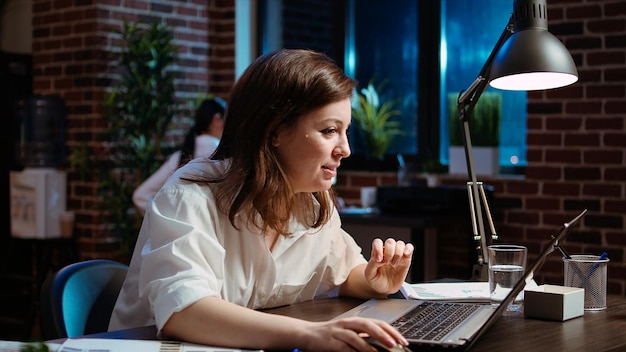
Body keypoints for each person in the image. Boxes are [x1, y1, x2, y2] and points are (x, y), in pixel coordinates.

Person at [109, 48, 414, 352]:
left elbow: (345, 273)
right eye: (329, 131)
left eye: (345, 132)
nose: (344, 149)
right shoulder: (190, 194)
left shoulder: (313, 205)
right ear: (275, 131)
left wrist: (376, 281)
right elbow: (183, 311)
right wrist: (310, 334)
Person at [132, 98, 225, 215]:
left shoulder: (181, 155)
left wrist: (168, 220)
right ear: (217, 119)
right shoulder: (222, 156)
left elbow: (141, 196)